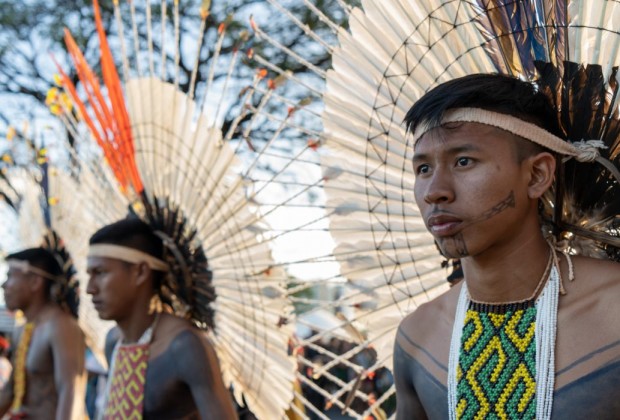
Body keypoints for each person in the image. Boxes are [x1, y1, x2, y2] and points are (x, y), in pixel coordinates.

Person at [393, 73, 620, 419]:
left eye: (463, 161)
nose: (434, 191)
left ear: (536, 175)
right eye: (423, 168)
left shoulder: (613, 312)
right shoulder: (417, 338)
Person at [86, 217, 237, 419]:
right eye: (90, 274)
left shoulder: (185, 346)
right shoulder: (113, 342)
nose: (90, 288)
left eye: (100, 273)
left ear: (140, 272)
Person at [0, 247, 86, 419]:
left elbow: (71, 391)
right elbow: (10, 391)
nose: (3, 285)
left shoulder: (61, 327)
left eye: (10, 276)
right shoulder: (21, 330)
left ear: (35, 282)